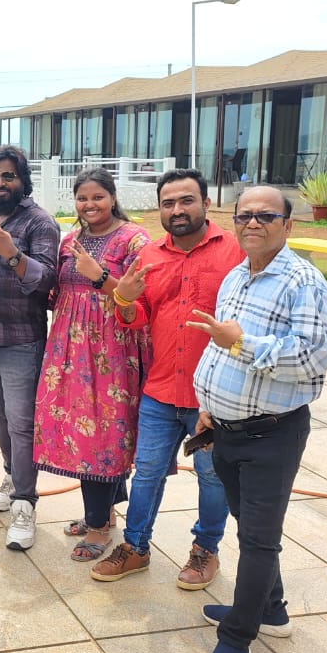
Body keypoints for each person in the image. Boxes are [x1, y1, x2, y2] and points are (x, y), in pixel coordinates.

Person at [190, 185, 327, 653]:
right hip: (226, 429)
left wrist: (243, 343)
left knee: (256, 540)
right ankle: (271, 609)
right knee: (248, 527)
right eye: (244, 215)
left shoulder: (304, 283)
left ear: (288, 225)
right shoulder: (237, 276)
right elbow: (219, 348)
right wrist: (208, 407)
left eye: (266, 216)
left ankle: (236, 638)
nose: (253, 223)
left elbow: (312, 360)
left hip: (272, 435)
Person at [89, 169, 242, 588]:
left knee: (212, 477)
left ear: (206, 204)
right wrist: (124, 300)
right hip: (160, 391)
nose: (177, 210)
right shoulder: (150, 256)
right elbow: (138, 317)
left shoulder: (234, 252)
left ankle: (205, 550)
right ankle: (135, 547)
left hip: (212, 397)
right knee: (147, 472)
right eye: (168, 203)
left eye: (186, 200)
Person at [33, 167, 150, 561]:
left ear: (113, 198)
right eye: (82, 198)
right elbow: (57, 292)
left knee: (103, 433)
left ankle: (99, 527)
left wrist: (100, 277)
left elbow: (139, 299)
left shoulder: (135, 239)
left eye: (98, 197)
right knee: (85, 432)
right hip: (68, 350)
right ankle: (102, 514)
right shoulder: (71, 239)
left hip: (110, 351)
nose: (89, 204)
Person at [0, 146, 60, 551]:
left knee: (23, 425)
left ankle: (25, 503)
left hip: (21, 342)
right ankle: (12, 475)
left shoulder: (40, 222)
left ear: (23, 179)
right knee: (1, 417)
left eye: (8, 176)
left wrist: (12, 254)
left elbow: (46, 281)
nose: (0, 183)